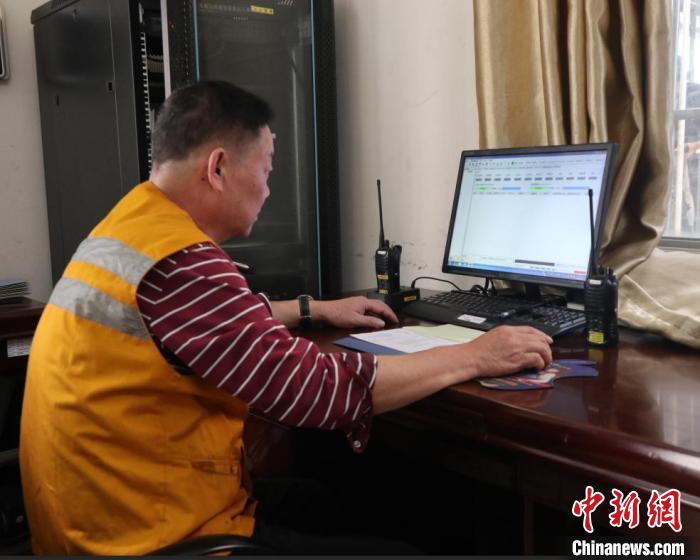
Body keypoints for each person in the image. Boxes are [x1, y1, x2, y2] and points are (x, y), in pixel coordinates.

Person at [19, 80, 553, 555]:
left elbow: (193, 325)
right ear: (218, 168)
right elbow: (319, 391)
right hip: (147, 537)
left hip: (92, 513)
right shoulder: (184, 262)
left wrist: (312, 309)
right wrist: (475, 355)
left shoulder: (134, 229)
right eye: (267, 169)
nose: (269, 189)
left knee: (323, 499)